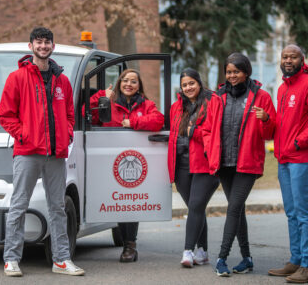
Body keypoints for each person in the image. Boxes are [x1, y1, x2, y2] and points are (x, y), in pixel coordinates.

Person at [0, 27, 84, 277]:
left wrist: (67, 133)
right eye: (39, 42)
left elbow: (70, 114)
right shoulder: (17, 78)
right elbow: (5, 115)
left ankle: (61, 260)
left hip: (56, 154)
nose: (43, 46)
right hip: (27, 151)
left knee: (57, 206)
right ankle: (11, 259)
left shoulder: (63, 80)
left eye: (47, 42)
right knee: (19, 205)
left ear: (52, 47)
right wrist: (24, 134)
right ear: (31, 46)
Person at [202, 53, 276, 277]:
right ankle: (247, 258)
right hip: (224, 163)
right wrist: (209, 149)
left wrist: (265, 120)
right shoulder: (218, 97)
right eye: (229, 72)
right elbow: (207, 129)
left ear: (246, 72)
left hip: (247, 163)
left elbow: (270, 133)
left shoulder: (261, 96)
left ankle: (221, 258)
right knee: (239, 210)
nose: (232, 76)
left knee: (233, 209)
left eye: (236, 71)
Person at [267, 44, 308, 283]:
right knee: (292, 213)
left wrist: (297, 142)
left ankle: (307, 266)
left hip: (303, 157)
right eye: (284, 56)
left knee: (303, 212)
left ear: (301, 59)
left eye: (293, 56)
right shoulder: (283, 88)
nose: (288, 60)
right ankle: (295, 261)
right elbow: (283, 124)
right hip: (284, 159)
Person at [88, 68, 164, 262]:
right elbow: (88, 115)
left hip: (138, 160)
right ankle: (127, 243)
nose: (129, 84)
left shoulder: (146, 104)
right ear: (120, 83)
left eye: (133, 81)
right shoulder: (109, 103)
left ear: (139, 86)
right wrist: (100, 97)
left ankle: (129, 245)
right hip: (110, 160)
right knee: (119, 200)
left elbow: (158, 120)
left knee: (131, 200)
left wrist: (133, 122)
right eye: (125, 81)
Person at [167, 68, 220, 268]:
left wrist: (193, 131)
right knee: (195, 208)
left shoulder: (212, 102)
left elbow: (214, 132)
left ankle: (188, 251)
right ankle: (203, 251)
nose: (188, 87)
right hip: (181, 165)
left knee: (196, 205)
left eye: (191, 83)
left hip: (205, 163)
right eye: (184, 85)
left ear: (199, 83)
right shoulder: (176, 108)